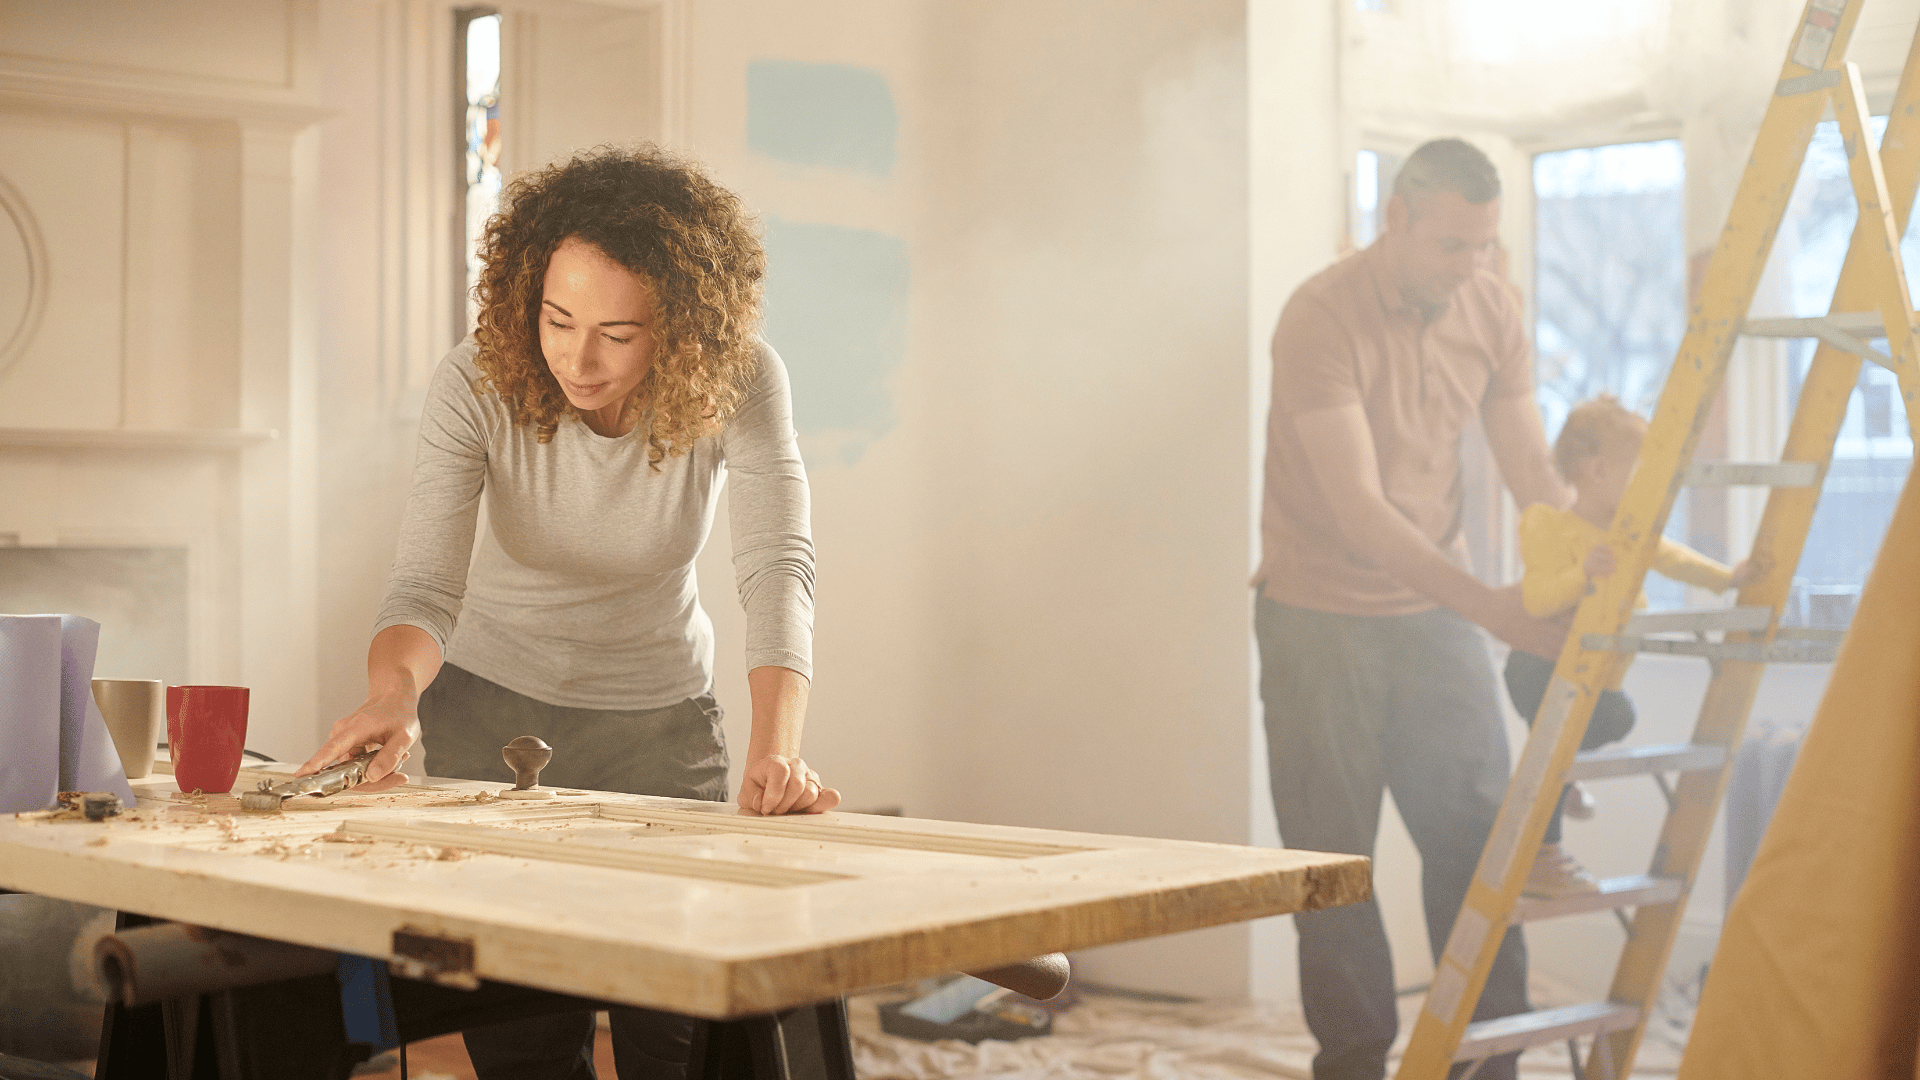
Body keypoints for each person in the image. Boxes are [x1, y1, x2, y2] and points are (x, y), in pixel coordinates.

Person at [294, 145, 838, 1080]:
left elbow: (775, 564)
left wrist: (775, 749)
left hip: (663, 727)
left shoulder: (741, 380)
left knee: (677, 1046)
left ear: (683, 330)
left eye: (619, 334)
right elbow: (425, 585)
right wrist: (393, 694)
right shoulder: (476, 380)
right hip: (491, 718)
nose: (578, 359)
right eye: (557, 320)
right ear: (525, 300)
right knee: (526, 1051)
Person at [1255, 138, 1572, 1080]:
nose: (1471, 267)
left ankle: (1489, 1062)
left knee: (1479, 847)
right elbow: (1358, 510)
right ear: (1394, 219)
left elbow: (1530, 472)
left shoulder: (1491, 306)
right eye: (1451, 247)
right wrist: (1496, 611)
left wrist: (1571, 568)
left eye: (1484, 246)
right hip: (1320, 619)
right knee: (1333, 868)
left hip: (1435, 619)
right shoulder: (1320, 316)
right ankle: (1353, 1063)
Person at [1507, 395, 1751, 898]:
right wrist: (1583, 575)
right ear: (1596, 470)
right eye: (1642, 472)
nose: (1654, 486)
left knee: (1618, 717)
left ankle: (1563, 782)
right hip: (1540, 667)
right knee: (1551, 744)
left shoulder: (1631, 536)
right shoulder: (1554, 527)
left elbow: (1675, 556)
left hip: (1593, 678)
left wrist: (1727, 579)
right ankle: (1542, 857)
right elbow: (1535, 599)